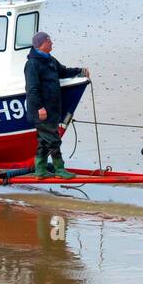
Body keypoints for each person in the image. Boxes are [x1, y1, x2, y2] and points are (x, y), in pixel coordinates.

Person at [24, 31, 89, 179]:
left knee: (43, 141)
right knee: (54, 140)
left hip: (52, 109)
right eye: (49, 41)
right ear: (41, 44)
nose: (52, 43)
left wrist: (80, 71)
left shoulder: (50, 60)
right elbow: (31, 89)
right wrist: (40, 108)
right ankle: (59, 169)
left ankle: (40, 170)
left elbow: (63, 71)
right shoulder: (32, 64)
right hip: (41, 111)